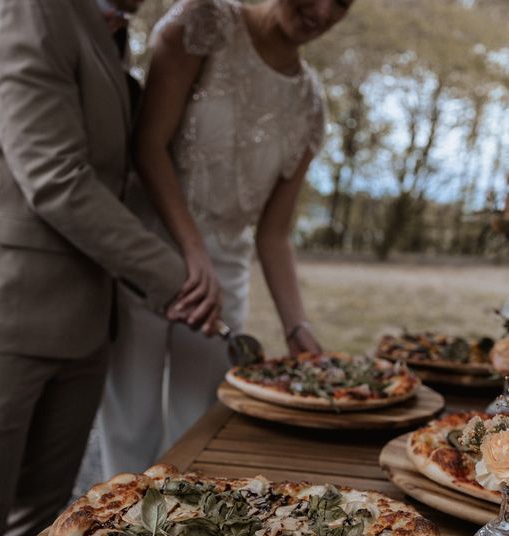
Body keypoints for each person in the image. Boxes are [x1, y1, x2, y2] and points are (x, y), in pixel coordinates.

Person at [0, 0, 219, 536]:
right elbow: (54, 177)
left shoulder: (109, 34)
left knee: (33, 531)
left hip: (87, 324)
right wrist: (174, 276)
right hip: (2, 317)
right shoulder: (25, 12)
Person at [99, 0, 356, 477]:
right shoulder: (202, 24)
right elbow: (148, 146)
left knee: (199, 429)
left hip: (224, 281)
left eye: (342, 2)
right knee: (129, 430)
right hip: (146, 255)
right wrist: (193, 253)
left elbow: (274, 233)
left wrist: (297, 327)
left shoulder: (311, 103)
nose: (322, 10)